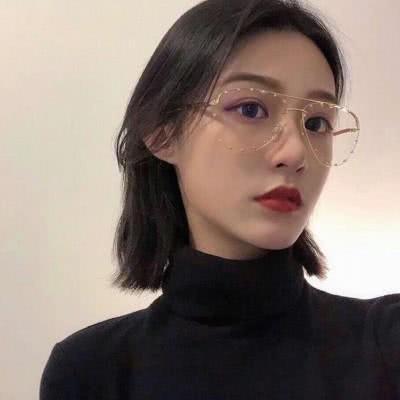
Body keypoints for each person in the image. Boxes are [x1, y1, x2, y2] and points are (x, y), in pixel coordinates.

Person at [39, 0, 400, 398]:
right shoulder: (91, 371)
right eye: (250, 109)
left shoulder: (385, 344)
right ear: (162, 132)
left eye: (316, 122)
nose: (296, 152)